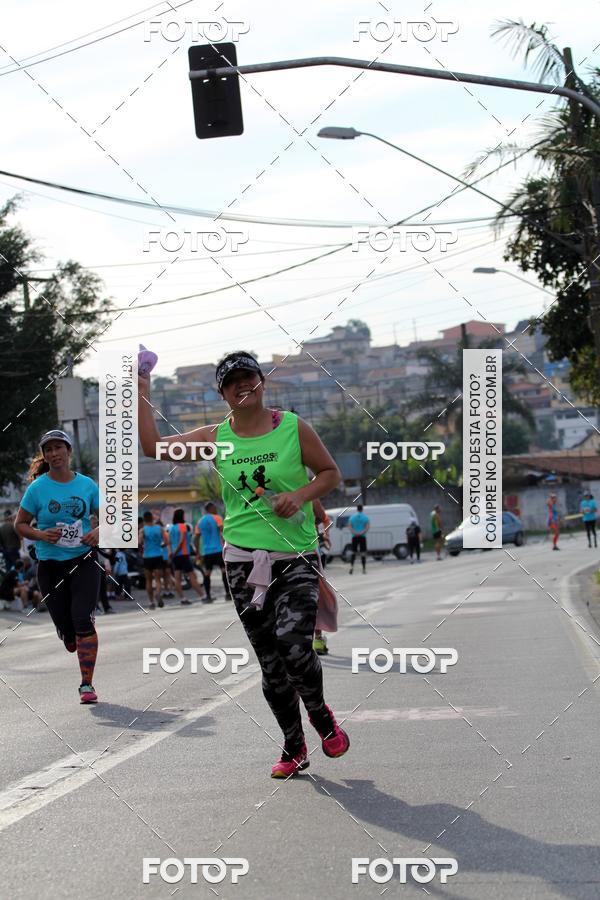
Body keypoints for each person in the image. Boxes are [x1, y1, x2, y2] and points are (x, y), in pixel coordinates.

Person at [138, 349, 349, 778]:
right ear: (222, 393)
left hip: (296, 556)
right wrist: (142, 391)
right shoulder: (216, 437)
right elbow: (152, 447)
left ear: (261, 381)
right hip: (242, 564)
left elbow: (330, 473)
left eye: (248, 376)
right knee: (271, 663)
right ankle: (294, 747)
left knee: (294, 643)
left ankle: (321, 716)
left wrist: (302, 496)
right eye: (232, 381)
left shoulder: (292, 427)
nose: (242, 385)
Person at [14, 429, 101, 704]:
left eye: (58, 448)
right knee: (67, 628)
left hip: (84, 560)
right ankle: (66, 631)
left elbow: (112, 517)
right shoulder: (37, 488)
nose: (54, 454)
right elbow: (20, 524)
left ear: (69, 451)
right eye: (48, 450)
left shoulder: (87, 485)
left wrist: (98, 531)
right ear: (44, 455)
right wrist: (41, 534)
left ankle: (86, 684)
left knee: (82, 619)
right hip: (50, 565)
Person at [169, 508, 207, 604]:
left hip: (175, 556)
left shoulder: (172, 528)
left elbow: (169, 542)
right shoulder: (183, 526)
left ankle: (183, 599)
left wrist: (172, 553)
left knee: (177, 578)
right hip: (183, 554)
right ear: (182, 516)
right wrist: (176, 551)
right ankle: (203, 596)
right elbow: (181, 541)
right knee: (192, 576)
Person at [194, 502, 231, 602]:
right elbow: (223, 531)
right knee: (224, 571)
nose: (216, 509)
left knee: (207, 573)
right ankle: (228, 594)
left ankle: (208, 596)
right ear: (210, 508)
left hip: (206, 552)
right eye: (214, 507)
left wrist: (197, 552)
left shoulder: (200, 521)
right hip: (218, 550)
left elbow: (196, 537)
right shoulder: (217, 518)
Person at [138, 511, 168, 609]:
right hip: (158, 555)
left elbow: (139, 542)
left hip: (147, 557)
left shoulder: (143, 530)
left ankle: (151, 602)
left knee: (149, 580)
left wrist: (143, 548)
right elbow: (166, 541)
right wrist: (161, 545)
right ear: (152, 518)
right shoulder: (160, 528)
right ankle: (158, 593)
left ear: (144, 520)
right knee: (158, 579)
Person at [313, 500, 331, 656]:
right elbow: (321, 516)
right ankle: (317, 639)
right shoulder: (303, 488)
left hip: (271, 552)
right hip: (306, 551)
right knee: (314, 597)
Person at [349, 503, 369, 574]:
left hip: (354, 536)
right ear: (362, 509)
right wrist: (361, 532)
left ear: (357, 509)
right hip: (362, 536)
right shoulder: (365, 517)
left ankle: (351, 567)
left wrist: (355, 532)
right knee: (363, 553)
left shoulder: (352, 517)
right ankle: (364, 569)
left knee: (353, 552)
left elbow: (350, 526)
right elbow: (367, 527)